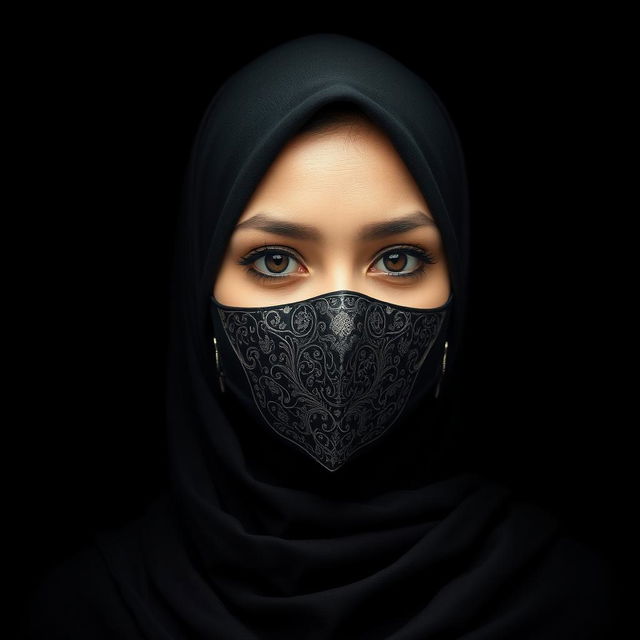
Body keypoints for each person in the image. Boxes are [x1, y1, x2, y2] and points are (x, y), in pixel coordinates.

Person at [24, 33, 620, 638]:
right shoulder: (89, 614)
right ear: (199, 285)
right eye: (277, 261)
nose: (340, 327)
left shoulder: (571, 605)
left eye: (397, 260)